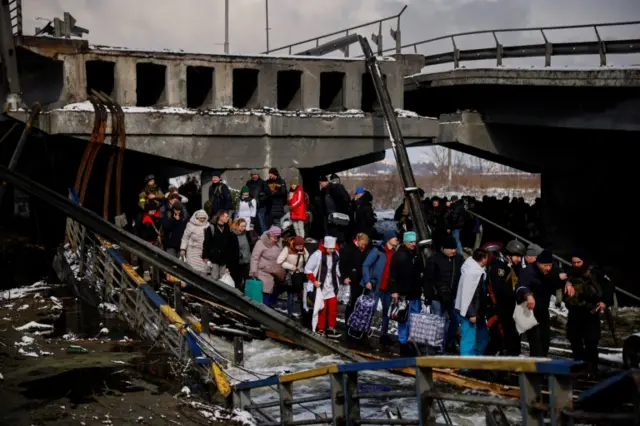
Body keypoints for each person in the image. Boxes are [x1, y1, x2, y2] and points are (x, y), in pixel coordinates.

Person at [516, 249, 575, 357]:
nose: (548, 268)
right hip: (530, 312)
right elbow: (521, 286)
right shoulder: (528, 271)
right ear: (538, 263)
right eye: (545, 265)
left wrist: (567, 283)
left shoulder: (552, 269)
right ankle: (536, 371)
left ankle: (541, 367)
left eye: (550, 265)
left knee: (545, 341)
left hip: (543, 311)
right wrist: (528, 295)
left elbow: (563, 275)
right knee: (536, 343)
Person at [565, 250, 614, 375]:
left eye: (579, 262)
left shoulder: (595, 274)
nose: (576, 265)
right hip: (575, 313)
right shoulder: (570, 273)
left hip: (590, 313)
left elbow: (609, 287)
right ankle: (579, 368)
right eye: (573, 262)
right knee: (575, 341)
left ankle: (592, 370)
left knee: (591, 342)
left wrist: (604, 302)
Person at [485, 239, 526, 356]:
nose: (519, 259)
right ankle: (483, 367)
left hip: (507, 309)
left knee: (509, 340)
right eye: (517, 256)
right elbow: (500, 290)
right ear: (509, 254)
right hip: (498, 309)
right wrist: (516, 294)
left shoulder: (510, 266)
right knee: (497, 340)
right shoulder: (499, 267)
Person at [424, 236, 464, 353]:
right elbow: (428, 279)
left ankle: (449, 342)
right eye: (451, 248)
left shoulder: (458, 259)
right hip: (437, 297)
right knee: (438, 321)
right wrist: (430, 295)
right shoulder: (434, 259)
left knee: (455, 320)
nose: (454, 251)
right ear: (444, 248)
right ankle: (436, 346)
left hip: (452, 296)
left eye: (455, 248)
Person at [388, 231, 424, 356]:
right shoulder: (399, 255)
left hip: (414, 292)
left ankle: (411, 342)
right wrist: (394, 291)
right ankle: (403, 343)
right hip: (403, 292)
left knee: (414, 319)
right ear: (405, 242)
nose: (413, 244)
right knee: (403, 318)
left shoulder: (415, 255)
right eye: (411, 242)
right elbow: (392, 274)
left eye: (414, 242)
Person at [361, 230, 398, 345]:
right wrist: (367, 280)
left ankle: (384, 335)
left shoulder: (395, 253)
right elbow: (365, 265)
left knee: (386, 313)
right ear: (388, 239)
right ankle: (364, 331)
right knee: (370, 310)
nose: (396, 239)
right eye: (394, 237)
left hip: (388, 288)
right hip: (375, 286)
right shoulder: (377, 251)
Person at [304, 236, 343, 338]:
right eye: (329, 249)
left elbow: (337, 269)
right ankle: (320, 329)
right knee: (322, 308)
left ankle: (331, 328)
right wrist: (314, 281)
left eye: (333, 249)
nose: (331, 251)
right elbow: (308, 269)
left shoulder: (336, 255)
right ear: (325, 247)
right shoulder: (318, 255)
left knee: (333, 308)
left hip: (331, 285)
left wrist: (340, 280)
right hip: (320, 286)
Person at [454, 248, 489, 357]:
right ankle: (466, 367)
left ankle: (476, 361)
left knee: (482, 337)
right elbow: (469, 295)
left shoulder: (472, 268)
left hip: (477, 311)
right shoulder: (473, 273)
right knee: (469, 340)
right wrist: (472, 314)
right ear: (483, 259)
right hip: (471, 313)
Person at [250, 226, 285, 307]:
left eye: (278, 237)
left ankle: (271, 309)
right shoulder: (261, 243)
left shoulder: (279, 242)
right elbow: (254, 258)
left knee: (274, 296)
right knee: (265, 295)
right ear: (270, 235)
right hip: (263, 272)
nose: (276, 239)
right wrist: (253, 273)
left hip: (276, 273)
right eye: (275, 237)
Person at [341, 232, 371, 325]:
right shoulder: (348, 249)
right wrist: (345, 276)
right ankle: (348, 322)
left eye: (365, 245)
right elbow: (343, 264)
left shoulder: (364, 250)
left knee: (358, 302)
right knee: (351, 302)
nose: (363, 246)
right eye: (362, 244)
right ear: (357, 241)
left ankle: (355, 322)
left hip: (360, 279)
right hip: (351, 278)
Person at [277, 235, 309, 317]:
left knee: (302, 294)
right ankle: (290, 313)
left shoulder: (304, 250)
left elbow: (308, 260)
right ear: (294, 244)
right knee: (290, 294)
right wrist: (291, 267)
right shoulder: (287, 249)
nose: (300, 247)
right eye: (298, 246)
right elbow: (279, 261)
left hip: (300, 274)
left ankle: (303, 312)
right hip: (291, 274)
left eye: (302, 246)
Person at [203, 210, 233, 280]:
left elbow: (228, 243)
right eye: (226, 216)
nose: (227, 218)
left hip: (224, 259)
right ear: (220, 217)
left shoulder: (227, 227)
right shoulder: (211, 228)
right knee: (214, 278)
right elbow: (207, 243)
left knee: (223, 280)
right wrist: (206, 257)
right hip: (214, 258)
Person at [228, 218, 253, 291]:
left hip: (246, 261)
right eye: (242, 226)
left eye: (245, 226)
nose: (244, 228)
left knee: (247, 279)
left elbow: (249, 245)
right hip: (237, 263)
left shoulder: (246, 234)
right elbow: (231, 250)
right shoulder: (232, 235)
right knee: (237, 281)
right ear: (237, 226)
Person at [245, 169, 270, 235]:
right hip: (251, 206)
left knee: (262, 223)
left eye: (255, 174)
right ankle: (252, 237)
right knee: (251, 223)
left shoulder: (263, 183)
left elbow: (268, 194)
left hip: (260, 206)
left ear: (258, 175)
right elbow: (246, 193)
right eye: (253, 175)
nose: (254, 176)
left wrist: (261, 199)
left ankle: (264, 237)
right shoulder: (248, 183)